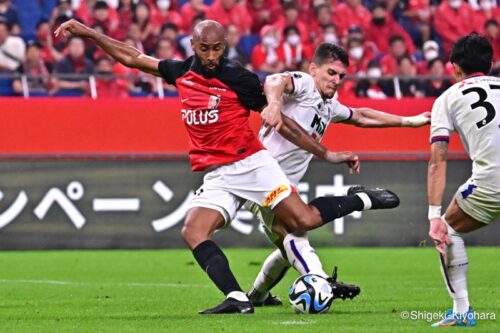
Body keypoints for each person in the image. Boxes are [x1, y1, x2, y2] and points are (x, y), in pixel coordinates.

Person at [54, 19, 399, 315]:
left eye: (217, 49)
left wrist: (327, 154)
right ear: (193, 45)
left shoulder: (239, 78)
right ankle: (237, 298)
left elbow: (285, 123)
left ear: (225, 46)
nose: (211, 56)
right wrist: (87, 32)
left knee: (302, 221)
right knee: (193, 230)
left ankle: (359, 200)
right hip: (218, 173)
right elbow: (130, 56)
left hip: (251, 163)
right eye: (204, 49)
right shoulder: (180, 71)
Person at [246, 42, 430, 306]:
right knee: (295, 231)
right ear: (314, 69)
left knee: (290, 242)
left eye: (341, 76)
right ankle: (321, 278)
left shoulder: (329, 105)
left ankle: (258, 295)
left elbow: (362, 116)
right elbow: (275, 79)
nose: (336, 81)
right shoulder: (306, 84)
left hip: (283, 184)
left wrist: (410, 121)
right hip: (261, 175)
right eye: (331, 73)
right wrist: (274, 103)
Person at [427, 33, 500, 327]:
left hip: (490, 182)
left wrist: (434, 215)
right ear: (492, 64)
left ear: (455, 67)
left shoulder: (448, 97)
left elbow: (438, 159)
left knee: (448, 229)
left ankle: (461, 310)